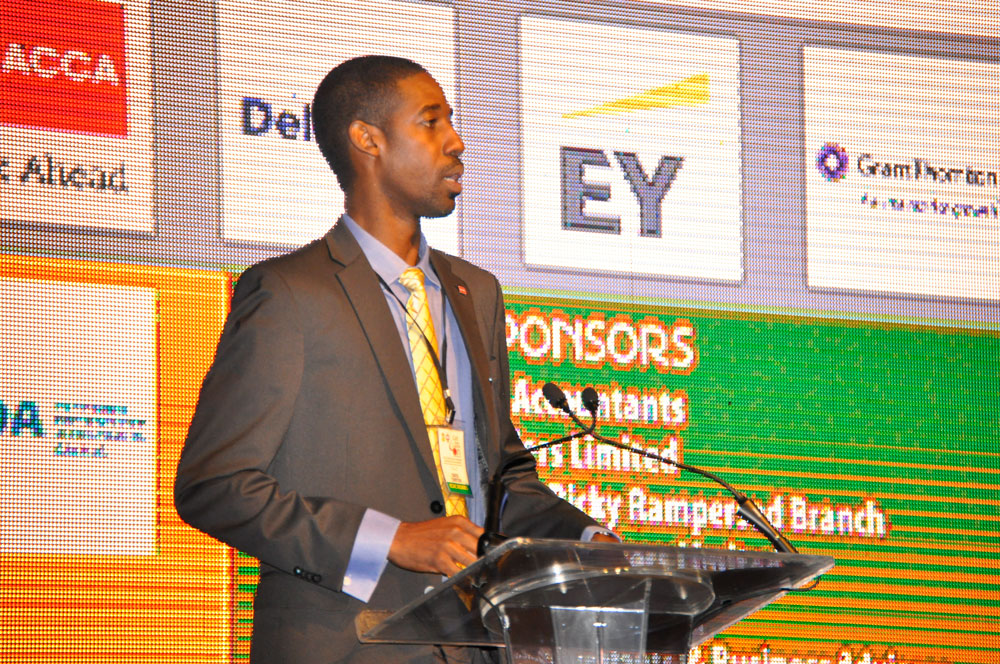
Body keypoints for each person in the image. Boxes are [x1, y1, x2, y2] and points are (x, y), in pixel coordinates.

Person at [174, 55, 615, 664]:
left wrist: (587, 538)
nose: (456, 143)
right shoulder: (291, 293)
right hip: (345, 646)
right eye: (431, 123)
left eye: (451, 122)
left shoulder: (476, 292)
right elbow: (216, 486)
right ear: (368, 140)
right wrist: (391, 540)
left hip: (477, 645)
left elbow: (500, 478)